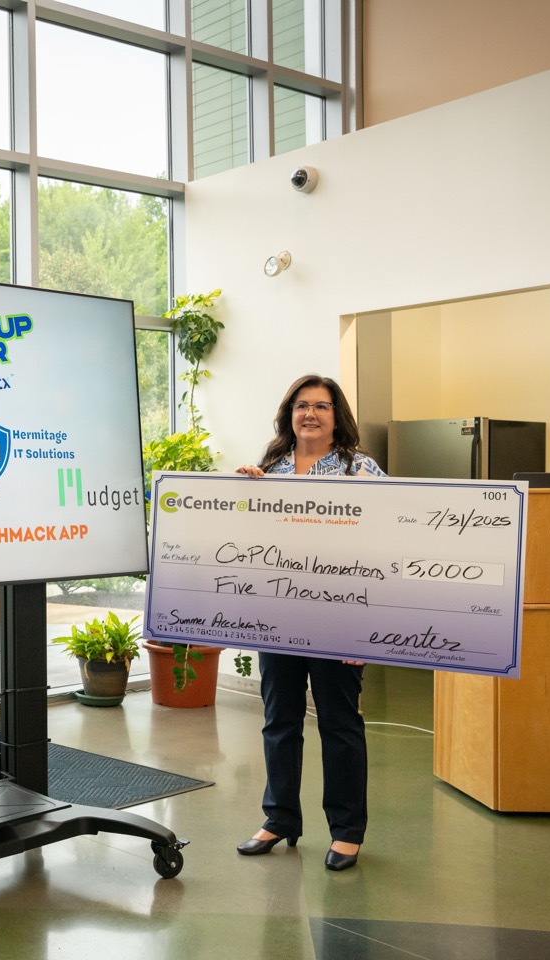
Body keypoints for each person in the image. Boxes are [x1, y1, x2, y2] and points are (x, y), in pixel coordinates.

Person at [233, 374, 385, 873]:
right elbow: (247, 538)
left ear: (337, 416)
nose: (311, 414)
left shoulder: (359, 468)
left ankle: (346, 832)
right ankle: (279, 819)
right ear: (289, 414)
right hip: (278, 614)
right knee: (279, 719)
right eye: (302, 406)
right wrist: (240, 495)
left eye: (322, 406)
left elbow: (385, 543)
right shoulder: (270, 466)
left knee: (340, 724)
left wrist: (369, 624)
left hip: (338, 615)